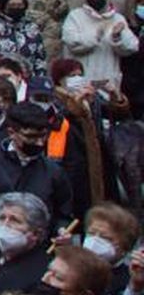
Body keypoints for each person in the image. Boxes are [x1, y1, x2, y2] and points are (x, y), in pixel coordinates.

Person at [50, 57, 129, 216]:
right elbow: (60, 120)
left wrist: (114, 94)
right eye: (71, 76)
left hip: (98, 161)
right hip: (72, 162)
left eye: (80, 74)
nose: (77, 79)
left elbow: (120, 115)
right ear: (59, 80)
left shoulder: (93, 98)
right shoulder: (55, 99)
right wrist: (77, 103)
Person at [0, 102, 74, 226]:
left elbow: (63, 214)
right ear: (12, 133)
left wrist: (60, 230)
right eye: (31, 137)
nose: (40, 143)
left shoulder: (54, 172)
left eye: (43, 137)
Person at [61, 0, 139, 87]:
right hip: (81, 79)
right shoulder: (75, 16)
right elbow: (71, 42)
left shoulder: (117, 19)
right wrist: (95, 36)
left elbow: (132, 47)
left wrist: (117, 37)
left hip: (108, 79)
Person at [0, 192, 55, 295]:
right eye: (2, 218)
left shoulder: (42, 272)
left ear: (36, 233)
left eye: (14, 220)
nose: (5, 225)